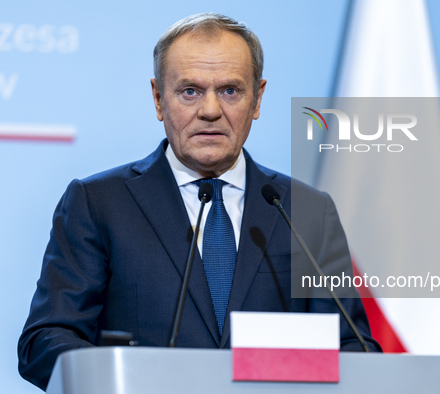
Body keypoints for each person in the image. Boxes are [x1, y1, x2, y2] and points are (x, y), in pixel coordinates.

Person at [17, 13, 380, 390]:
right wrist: (122, 377)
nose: (210, 110)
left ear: (257, 98)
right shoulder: (98, 203)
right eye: (190, 91)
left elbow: (352, 347)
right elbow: (44, 342)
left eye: (230, 91)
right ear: (159, 99)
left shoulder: (306, 210)